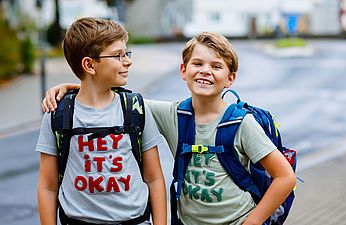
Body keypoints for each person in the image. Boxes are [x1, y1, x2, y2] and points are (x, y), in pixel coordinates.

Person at [42, 32, 296, 225]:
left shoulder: (242, 124)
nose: (205, 71)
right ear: (183, 71)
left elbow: (285, 178)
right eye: (197, 64)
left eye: (216, 66)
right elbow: (109, 96)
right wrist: (71, 87)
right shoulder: (172, 114)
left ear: (230, 78)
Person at [36, 17, 167, 225]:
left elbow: (154, 178)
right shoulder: (57, 114)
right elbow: (47, 186)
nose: (128, 61)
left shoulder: (135, 108)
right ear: (89, 64)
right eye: (117, 55)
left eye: (126, 53)